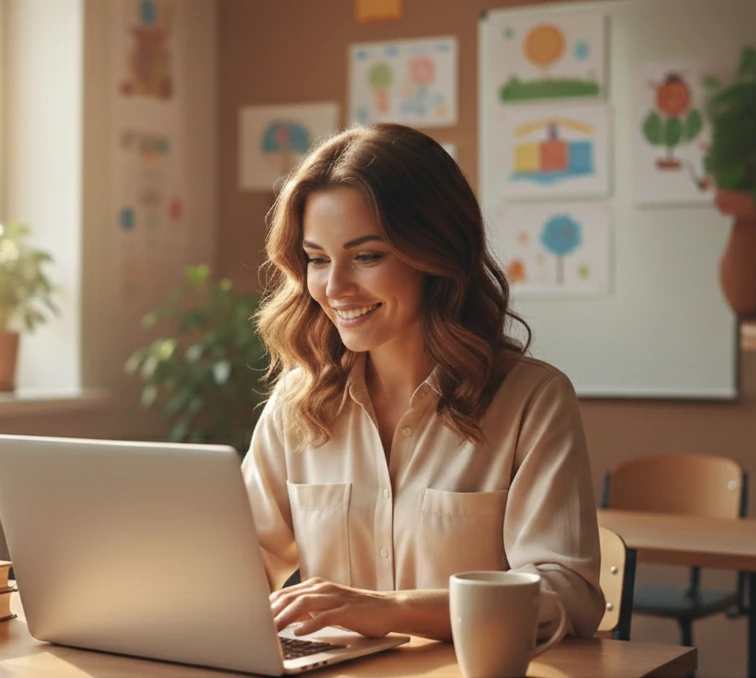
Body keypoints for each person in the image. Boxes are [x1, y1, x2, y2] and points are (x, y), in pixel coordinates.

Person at [242, 123, 604, 642]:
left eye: (367, 256)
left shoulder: (532, 400)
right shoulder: (297, 402)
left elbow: (566, 594)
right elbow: (244, 561)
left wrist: (392, 611)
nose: (335, 286)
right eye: (317, 259)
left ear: (435, 255)